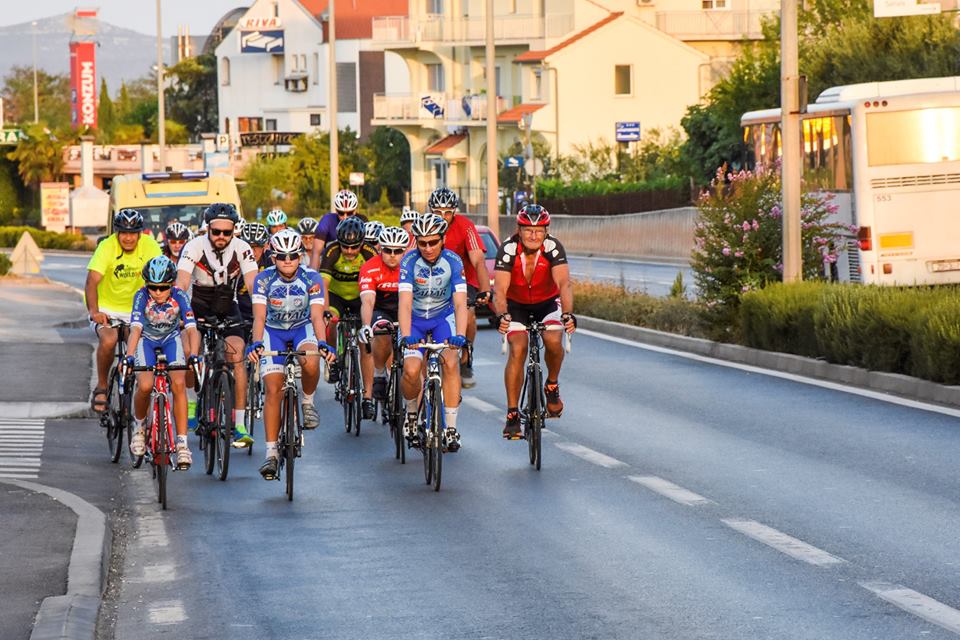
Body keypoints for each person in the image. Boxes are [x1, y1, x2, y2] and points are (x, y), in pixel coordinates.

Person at [247, 229, 336, 480]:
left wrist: (322, 342)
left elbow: (317, 316)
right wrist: (256, 343)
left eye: (293, 256)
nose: (288, 261)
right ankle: (271, 454)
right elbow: (259, 317)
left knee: (310, 359)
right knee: (273, 389)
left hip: (302, 328)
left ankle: (307, 402)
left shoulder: (312, 278)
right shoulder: (263, 280)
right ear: (273, 257)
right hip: (272, 331)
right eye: (282, 256)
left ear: (300, 256)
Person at [175, 202, 259, 448]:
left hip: (227, 306)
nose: (221, 237)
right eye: (216, 232)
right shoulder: (194, 246)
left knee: (238, 356)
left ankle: (240, 424)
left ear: (234, 231)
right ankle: (191, 403)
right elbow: (181, 283)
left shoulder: (242, 249)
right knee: (191, 352)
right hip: (198, 306)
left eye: (227, 232)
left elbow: (253, 285)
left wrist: (260, 312)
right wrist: (179, 313)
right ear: (208, 229)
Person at [492, 204, 576, 439]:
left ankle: (551, 384)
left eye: (539, 230)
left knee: (552, 339)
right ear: (519, 229)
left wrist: (568, 314)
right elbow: (499, 289)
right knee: (518, 348)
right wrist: (502, 315)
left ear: (546, 231)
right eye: (528, 230)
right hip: (516, 305)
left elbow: (564, 284)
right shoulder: (508, 249)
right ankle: (512, 414)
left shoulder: (553, 247)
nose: (533, 235)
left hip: (547, 303)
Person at [397, 213, 468, 452]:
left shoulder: (454, 262)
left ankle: (450, 427)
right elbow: (405, 303)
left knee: (450, 361)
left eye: (433, 242)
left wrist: (461, 335)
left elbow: (460, 304)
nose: (427, 248)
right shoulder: (408, 262)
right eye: (422, 242)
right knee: (411, 369)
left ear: (443, 239)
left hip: (441, 319)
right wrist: (406, 336)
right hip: (415, 321)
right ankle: (411, 414)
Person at [122, 256, 201, 468]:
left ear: (172, 284)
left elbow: (192, 329)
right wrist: (129, 356)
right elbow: (136, 329)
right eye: (153, 287)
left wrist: (193, 354)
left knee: (178, 384)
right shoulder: (141, 296)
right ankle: (139, 427)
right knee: (146, 385)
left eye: (163, 288)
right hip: (146, 340)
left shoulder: (180, 296)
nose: (157, 292)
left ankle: (182, 444)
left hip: (170, 339)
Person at [86, 209, 162, 413]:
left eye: (133, 233)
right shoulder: (106, 246)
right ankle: (102, 386)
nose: (128, 238)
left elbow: (161, 279)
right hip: (107, 308)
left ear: (140, 233)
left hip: (136, 310)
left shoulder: (150, 246)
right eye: (123, 233)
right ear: (116, 232)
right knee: (109, 340)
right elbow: (92, 281)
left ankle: (136, 389)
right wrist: (94, 311)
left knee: (135, 343)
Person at [428, 187, 491, 388]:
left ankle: (466, 353)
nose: (443, 217)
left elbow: (479, 261)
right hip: (431, 283)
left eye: (448, 212)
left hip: (463, 281)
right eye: (438, 212)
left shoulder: (465, 226)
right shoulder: (423, 226)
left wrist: (484, 289)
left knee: (469, 314)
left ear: (454, 212)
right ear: (430, 211)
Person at [318, 216, 377, 418]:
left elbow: (375, 284)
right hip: (336, 297)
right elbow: (324, 286)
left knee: (365, 344)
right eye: (346, 247)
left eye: (354, 247)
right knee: (332, 322)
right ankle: (333, 361)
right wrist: (326, 311)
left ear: (362, 243)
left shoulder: (370, 252)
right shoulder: (332, 251)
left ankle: (368, 398)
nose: (350, 252)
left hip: (361, 297)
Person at [358, 226, 409, 405]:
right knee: (382, 332)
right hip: (381, 308)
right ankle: (379, 373)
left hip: (406, 306)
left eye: (398, 251)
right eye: (388, 250)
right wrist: (365, 325)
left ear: (405, 250)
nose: (392, 255)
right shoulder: (370, 267)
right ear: (380, 248)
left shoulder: (412, 265)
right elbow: (368, 301)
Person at [311, 189, 368, 266]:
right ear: (336, 211)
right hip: (332, 263)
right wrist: (313, 275)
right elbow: (316, 252)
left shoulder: (362, 220)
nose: (345, 217)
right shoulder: (327, 220)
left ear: (355, 211)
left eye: (349, 213)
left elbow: (368, 249)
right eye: (341, 213)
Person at [237, 222, 273, 336]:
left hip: (267, 312)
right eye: (247, 246)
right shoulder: (234, 261)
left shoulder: (272, 260)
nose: (252, 252)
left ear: (265, 246)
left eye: (256, 246)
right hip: (240, 313)